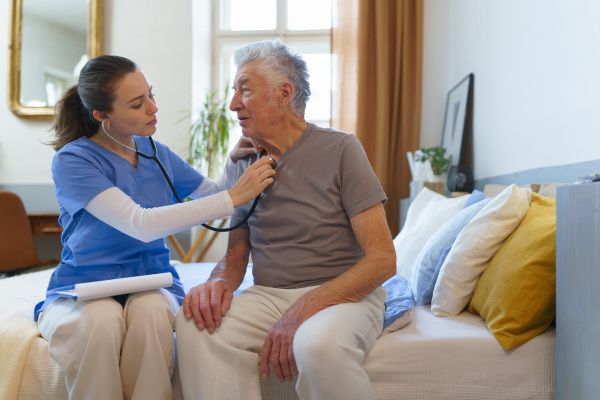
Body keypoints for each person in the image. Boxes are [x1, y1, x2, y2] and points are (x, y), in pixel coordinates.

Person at [34, 55, 275, 400]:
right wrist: (235, 195)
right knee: (101, 323)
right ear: (102, 116)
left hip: (152, 279)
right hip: (86, 285)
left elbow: (216, 193)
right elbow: (141, 224)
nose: (153, 108)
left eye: (151, 94)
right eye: (137, 103)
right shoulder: (73, 160)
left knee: (151, 314)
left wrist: (235, 163)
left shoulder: (153, 150)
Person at [176, 39, 396, 400]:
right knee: (196, 325)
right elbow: (235, 257)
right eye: (234, 92)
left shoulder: (341, 149)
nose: (232, 105)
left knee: (318, 345)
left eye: (244, 90)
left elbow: (383, 258)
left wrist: (304, 308)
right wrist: (217, 283)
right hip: (268, 293)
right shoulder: (242, 162)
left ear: (283, 93)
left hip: (342, 294)